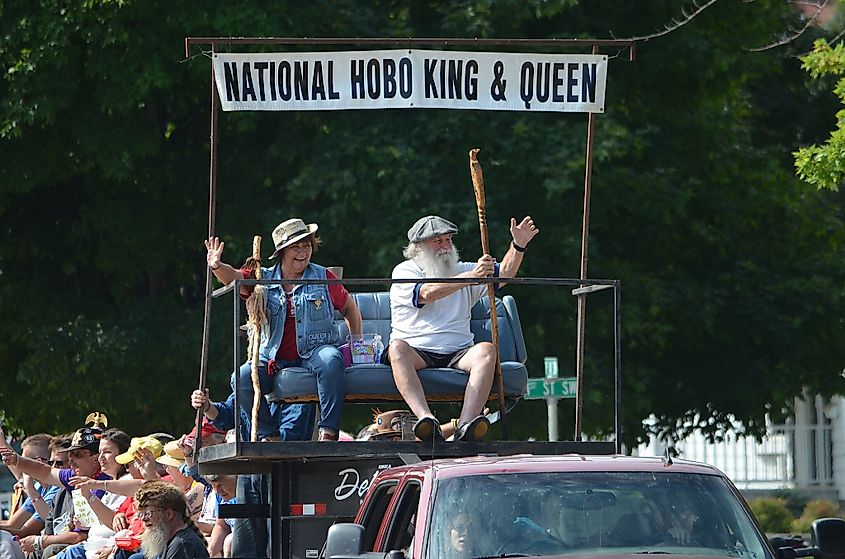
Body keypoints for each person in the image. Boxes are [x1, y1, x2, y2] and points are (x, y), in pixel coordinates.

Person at [204, 217, 363, 442]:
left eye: (306, 245)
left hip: (315, 351)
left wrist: (357, 343)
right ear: (281, 252)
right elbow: (234, 278)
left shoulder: (323, 276)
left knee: (331, 359)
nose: (303, 252)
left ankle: (328, 431)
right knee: (240, 377)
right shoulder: (263, 278)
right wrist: (217, 266)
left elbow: (350, 309)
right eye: (295, 247)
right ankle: (269, 435)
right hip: (273, 357)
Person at [388, 215, 539, 442]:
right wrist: (472, 277)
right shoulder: (404, 271)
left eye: (448, 240)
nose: (445, 246)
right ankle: (426, 420)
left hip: (458, 351)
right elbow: (427, 294)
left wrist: (518, 245)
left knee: (487, 350)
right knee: (396, 349)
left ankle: (466, 426)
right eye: (437, 241)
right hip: (416, 350)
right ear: (418, 247)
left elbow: (504, 274)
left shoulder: (464, 270)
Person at [133, 481, 209, 559]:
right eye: (141, 514)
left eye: (148, 513)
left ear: (169, 514)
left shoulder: (182, 545)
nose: (143, 519)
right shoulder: (168, 539)